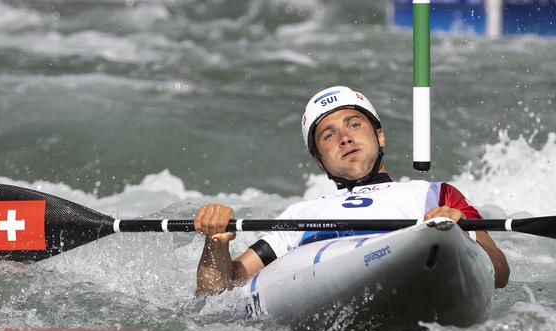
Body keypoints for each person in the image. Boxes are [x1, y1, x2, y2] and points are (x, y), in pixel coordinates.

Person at [194, 85, 509, 294]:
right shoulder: (298, 215)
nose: (344, 137)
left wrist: (458, 233)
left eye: (354, 124)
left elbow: (498, 271)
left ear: (380, 137)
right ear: (319, 161)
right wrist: (216, 243)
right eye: (329, 135)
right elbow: (220, 290)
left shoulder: (435, 194)